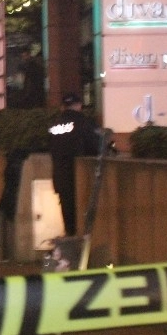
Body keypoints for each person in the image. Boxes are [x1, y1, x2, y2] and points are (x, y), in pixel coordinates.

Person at [48, 92, 101, 236]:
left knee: (67, 213)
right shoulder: (85, 123)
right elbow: (96, 146)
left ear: (62, 107)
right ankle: (81, 248)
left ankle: (70, 239)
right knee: (83, 215)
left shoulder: (54, 125)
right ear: (79, 105)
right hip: (80, 177)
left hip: (61, 175)